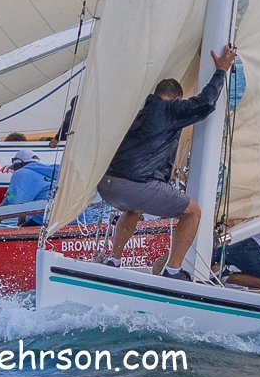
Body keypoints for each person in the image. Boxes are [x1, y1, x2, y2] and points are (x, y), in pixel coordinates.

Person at [97, 44, 239, 282]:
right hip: (136, 183)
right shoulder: (168, 109)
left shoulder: (138, 109)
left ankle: (114, 259)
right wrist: (220, 71)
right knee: (192, 212)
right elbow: (205, 104)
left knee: (133, 208)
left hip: (108, 184)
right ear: (176, 98)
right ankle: (173, 270)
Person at [2, 150, 57, 226]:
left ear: (18, 165)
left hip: (45, 221)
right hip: (67, 220)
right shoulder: (52, 172)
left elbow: (11, 201)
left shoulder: (22, 173)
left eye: (14, 168)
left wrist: (7, 197)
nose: (14, 171)